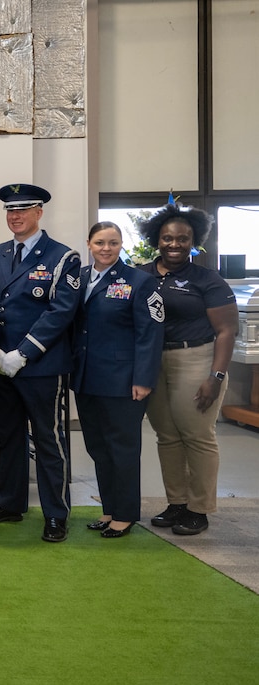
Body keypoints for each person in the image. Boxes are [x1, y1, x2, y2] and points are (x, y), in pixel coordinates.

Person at [0, 184, 81, 543]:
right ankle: (10, 502)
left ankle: (56, 514)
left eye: (23, 209)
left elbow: (61, 312)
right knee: (9, 437)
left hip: (40, 366)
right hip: (0, 366)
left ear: (40, 212)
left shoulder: (63, 257)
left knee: (49, 441)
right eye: (10, 210)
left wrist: (22, 353)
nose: (15, 216)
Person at [139, 205, 239, 536]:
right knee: (166, 436)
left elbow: (227, 331)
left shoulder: (207, 279)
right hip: (154, 362)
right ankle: (177, 503)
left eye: (183, 239)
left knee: (197, 435)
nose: (175, 244)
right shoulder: (141, 274)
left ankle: (199, 508)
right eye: (168, 238)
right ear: (156, 239)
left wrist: (217, 376)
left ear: (194, 241)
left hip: (195, 358)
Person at [73, 222, 165, 538]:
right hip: (86, 379)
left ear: (121, 244)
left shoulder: (140, 282)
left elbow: (150, 335)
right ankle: (109, 509)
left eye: (113, 242)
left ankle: (125, 514)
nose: (106, 248)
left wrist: (143, 379)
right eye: (100, 242)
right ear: (89, 244)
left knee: (122, 448)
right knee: (98, 447)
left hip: (123, 381)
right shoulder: (80, 279)